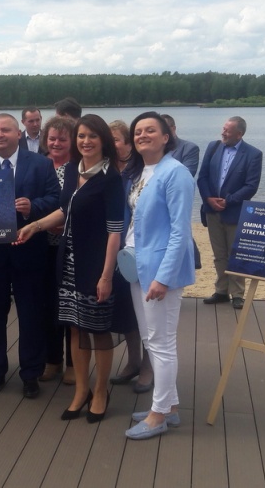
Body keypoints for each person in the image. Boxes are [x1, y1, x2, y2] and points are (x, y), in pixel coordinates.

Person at [17, 113, 126, 422]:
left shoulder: (111, 178)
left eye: (92, 136)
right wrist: (35, 226)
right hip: (68, 261)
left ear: (103, 140)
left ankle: (101, 391)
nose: (85, 141)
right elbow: (64, 211)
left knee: (98, 330)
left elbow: (115, 231)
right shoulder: (69, 169)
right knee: (76, 328)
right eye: (81, 136)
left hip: (97, 264)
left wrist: (106, 276)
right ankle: (81, 390)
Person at [0, 113, 60, 399]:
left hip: (29, 252)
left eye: (5, 131)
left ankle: (30, 374)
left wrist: (31, 206)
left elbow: (56, 199)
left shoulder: (41, 164)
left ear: (18, 133)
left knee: (31, 315)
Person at [122, 112, 197, 440]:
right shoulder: (141, 172)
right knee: (152, 339)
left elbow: (181, 232)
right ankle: (171, 406)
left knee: (162, 343)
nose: (142, 135)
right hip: (138, 266)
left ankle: (158, 415)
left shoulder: (175, 173)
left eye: (150, 130)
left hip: (159, 272)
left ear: (167, 136)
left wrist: (164, 278)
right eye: (137, 131)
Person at [196, 116, 262, 310]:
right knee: (219, 254)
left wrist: (229, 201)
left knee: (236, 254)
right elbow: (203, 177)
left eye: (227, 131)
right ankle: (221, 291)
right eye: (223, 129)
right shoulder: (213, 147)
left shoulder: (253, 154)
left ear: (239, 134)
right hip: (212, 210)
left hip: (234, 211)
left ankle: (238, 294)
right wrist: (208, 198)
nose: (223, 133)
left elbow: (251, 186)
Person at [108, 118, 154, 394]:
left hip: (138, 249)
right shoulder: (106, 170)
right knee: (126, 310)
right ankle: (133, 360)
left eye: (115, 139)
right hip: (114, 250)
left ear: (127, 144)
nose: (111, 144)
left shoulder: (140, 172)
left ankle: (148, 366)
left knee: (146, 314)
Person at [35, 115, 76, 384]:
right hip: (42, 248)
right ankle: (52, 360)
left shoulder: (79, 168)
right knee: (47, 306)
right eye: (52, 138)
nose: (56, 143)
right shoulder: (38, 165)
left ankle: (74, 364)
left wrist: (65, 225)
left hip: (72, 248)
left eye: (62, 138)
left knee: (70, 307)